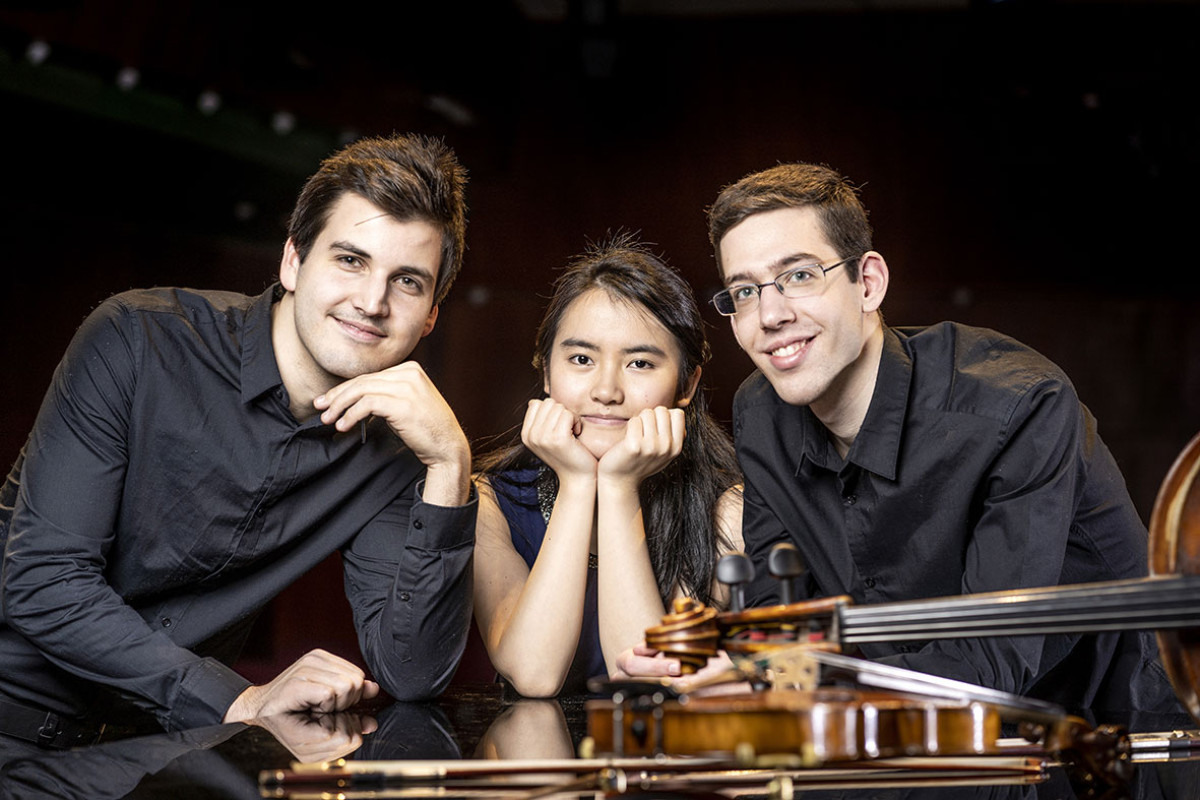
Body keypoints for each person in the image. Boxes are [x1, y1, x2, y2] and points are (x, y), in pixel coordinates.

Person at [0, 133, 476, 749]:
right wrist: (237, 698)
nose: (372, 302)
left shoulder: (398, 452)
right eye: (350, 260)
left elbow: (412, 674)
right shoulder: (138, 342)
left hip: (158, 759)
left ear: (432, 314)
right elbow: (43, 579)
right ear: (293, 263)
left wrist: (449, 463)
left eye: (407, 281)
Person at [703, 161, 1182, 716]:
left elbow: (993, 661)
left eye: (801, 276)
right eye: (743, 291)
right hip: (905, 736)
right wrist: (741, 675)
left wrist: (798, 691)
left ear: (868, 283)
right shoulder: (761, 412)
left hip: (1105, 738)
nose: (769, 314)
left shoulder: (1017, 406)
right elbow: (781, 622)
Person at [471, 237, 742, 696]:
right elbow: (533, 673)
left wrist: (617, 486)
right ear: (546, 372)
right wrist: (578, 482)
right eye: (581, 359)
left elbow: (647, 678)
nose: (606, 391)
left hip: (664, 762)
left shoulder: (725, 506)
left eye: (639, 363)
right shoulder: (491, 500)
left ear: (686, 384)